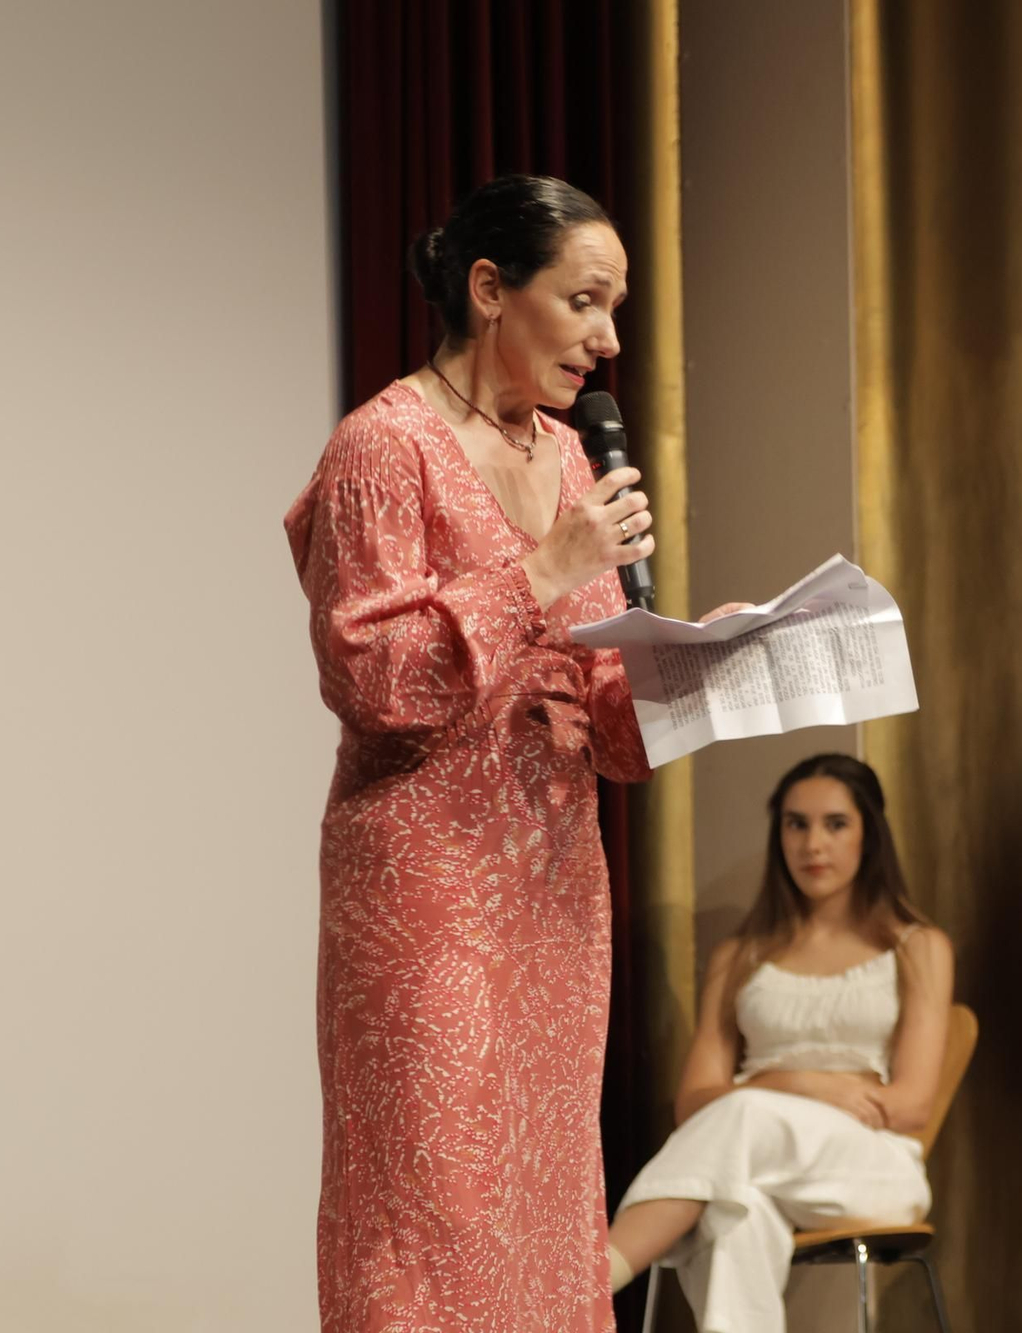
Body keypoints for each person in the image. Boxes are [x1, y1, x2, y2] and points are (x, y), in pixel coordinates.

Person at [287, 174, 732, 1332]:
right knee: (430, 1199)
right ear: (489, 290)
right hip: (426, 884)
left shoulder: (572, 462)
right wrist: (537, 571)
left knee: (541, 1202)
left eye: (615, 306)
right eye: (584, 300)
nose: (608, 337)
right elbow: (373, 682)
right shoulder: (384, 447)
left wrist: (685, 673)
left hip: (552, 887)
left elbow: (602, 713)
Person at [607, 753, 955, 1330]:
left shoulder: (916, 947)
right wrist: (798, 1083)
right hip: (748, 1152)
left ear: (869, 833)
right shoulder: (740, 955)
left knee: (742, 1118)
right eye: (796, 824)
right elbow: (693, 1102)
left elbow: (913, 1104)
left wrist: (762, 1094)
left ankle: (587, 1287)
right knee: (735, 1215)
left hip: (872, 1165)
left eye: (834, 824)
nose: (813, 843)